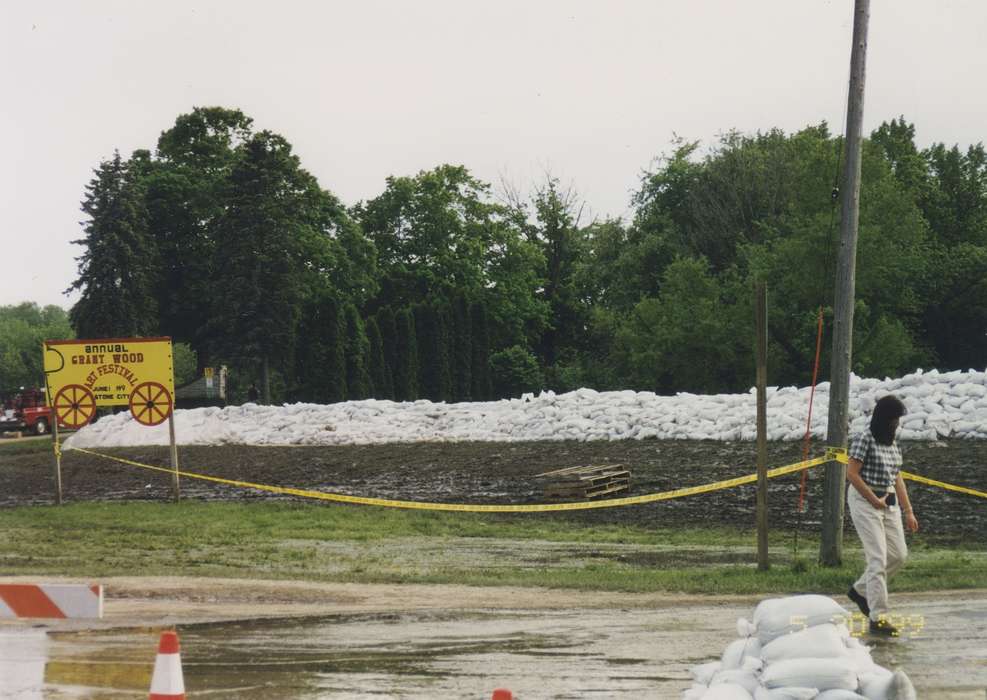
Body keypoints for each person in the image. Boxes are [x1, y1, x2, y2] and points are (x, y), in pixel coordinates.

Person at [845, 394, 920, 636]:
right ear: (884, 418)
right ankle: (878, 617)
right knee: (877, 558)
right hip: (864, 501)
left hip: (888, 502)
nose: (897, 423)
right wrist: (872, 499)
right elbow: (852, 474)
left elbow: (897, 479)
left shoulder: (892, 443)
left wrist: (908, 511)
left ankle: (859, 590)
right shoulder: (863, 438)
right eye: (894, 419)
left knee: (898, 555)